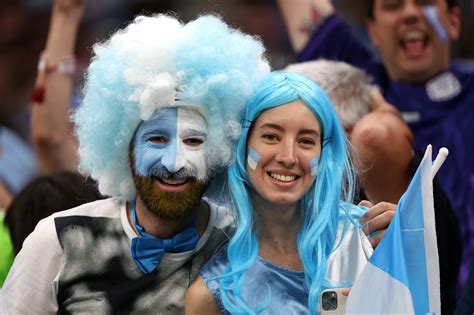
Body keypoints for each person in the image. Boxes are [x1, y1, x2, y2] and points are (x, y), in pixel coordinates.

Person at [0, 13, 270, 313]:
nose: (173, 163)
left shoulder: (240, 242)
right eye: (156, 139)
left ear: (222, 150)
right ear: (124, 147)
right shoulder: (61, 239)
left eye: (194, 141)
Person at [278, 0, 474, 293]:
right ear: (372, 31)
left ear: (454, 21)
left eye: (426, 2)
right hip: (403, 292)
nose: (410, 13)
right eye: (394, 6)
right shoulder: (355, 79)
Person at [185, 71, 373, 314]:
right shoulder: (213, 294)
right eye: (271, 136)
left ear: (324, 153)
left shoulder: (362, 239)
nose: (288, 157)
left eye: (306, 141)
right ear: (242, 145)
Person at [286, 59, 462, 313]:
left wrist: (377, 102)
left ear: (344, 134)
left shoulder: (388, 177)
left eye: (305, 138)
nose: (288, 155)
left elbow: (375, 136)